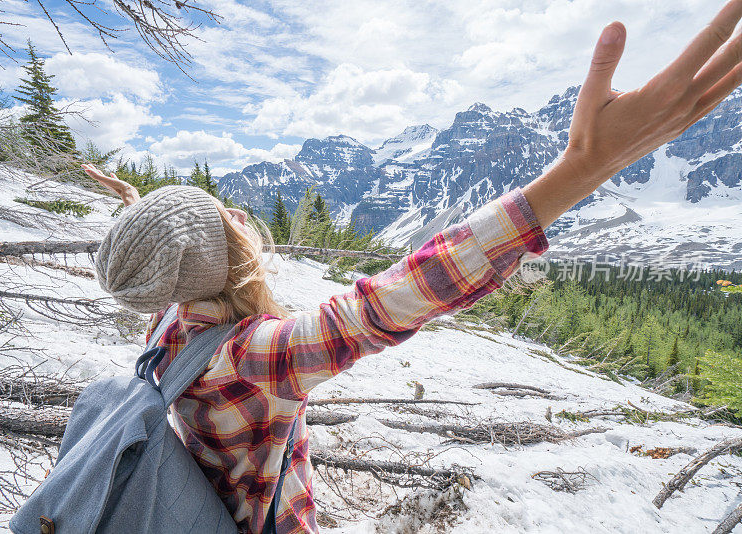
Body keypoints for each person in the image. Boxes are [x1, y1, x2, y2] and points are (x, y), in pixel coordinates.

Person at [82, 3, 742, 532]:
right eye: (221, 217)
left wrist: (137, 208)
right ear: (222, 257)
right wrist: (580, 172)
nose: (234, 210)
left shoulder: (169, 320)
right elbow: (389, 302)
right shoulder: (257, 357)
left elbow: (170, 259)